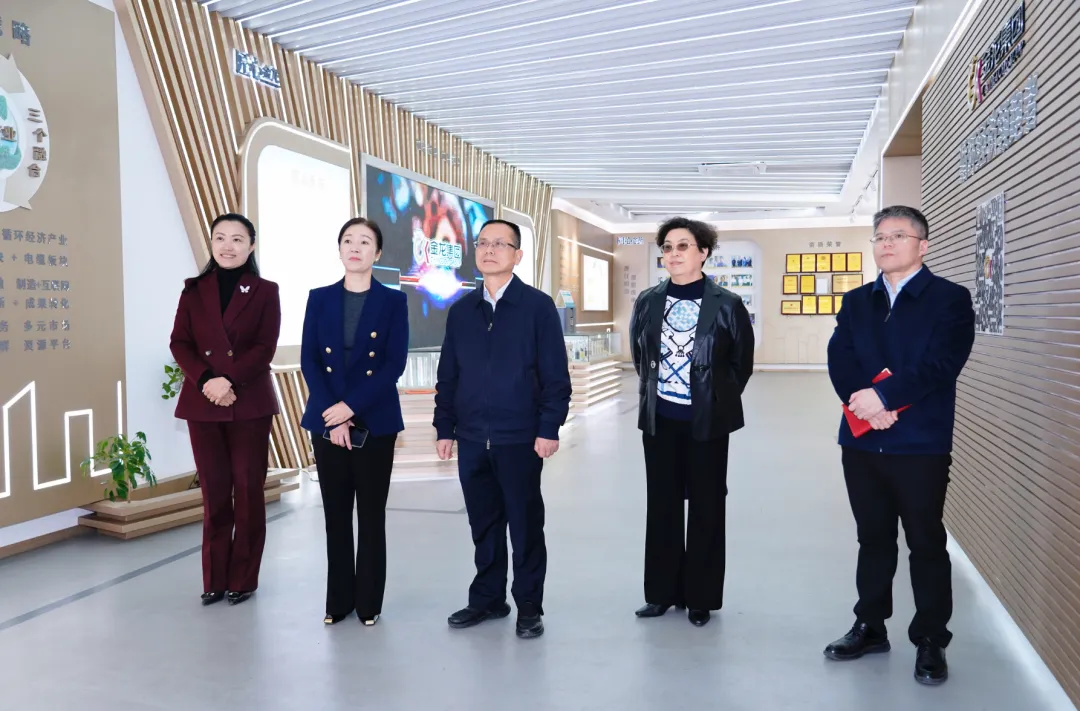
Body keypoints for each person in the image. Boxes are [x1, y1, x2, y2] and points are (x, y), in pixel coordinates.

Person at [824, 205, 974, 686]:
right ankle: (870, 626)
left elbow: (942, 363)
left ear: (922, 246)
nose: (886, 243)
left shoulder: (949, 299)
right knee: (872, 538)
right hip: (862, 441)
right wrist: (866, 404)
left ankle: (931, 639)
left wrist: (884, 399)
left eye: (898, 236)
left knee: (925, 541)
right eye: (880, 237)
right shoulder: (857, 301)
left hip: (920, 443)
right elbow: (840, 357)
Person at [433, 219, 571, 639]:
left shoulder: (537, 307)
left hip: (520, 437)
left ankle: (529, 605)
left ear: (518, 255)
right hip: (473, 437)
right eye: (482, 243)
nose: (489, 250)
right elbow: (448, 375)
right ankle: (488, 599)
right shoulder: (462, 311)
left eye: (500, 244)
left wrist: (549, 427)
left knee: (525, 525)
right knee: (484, 524)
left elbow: (555, 376)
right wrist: (444, 427)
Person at [628, 217, 754, 628]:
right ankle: (661, 593)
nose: (673, 254)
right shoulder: (648, 301)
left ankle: (701, 596)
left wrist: (713, 398)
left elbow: (740, 365)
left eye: (683, 246)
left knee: (706, 505)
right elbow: (640, 356)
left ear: (703, 252)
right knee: (661, 505)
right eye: (667, 247)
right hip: (660, 420)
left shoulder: (727, 304)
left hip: (707, 422)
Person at [300, 217, 409, 627]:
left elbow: (393, 364)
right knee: (335, 515)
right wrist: (335, 414)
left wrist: (350, 408)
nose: (355, 247)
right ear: (339, 249)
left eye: (364, 242)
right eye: (348, 240)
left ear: (377, 253)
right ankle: (338, 601)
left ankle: (368, 604)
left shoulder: (393, 302)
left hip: (375, 421)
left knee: (371, 515)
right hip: (327, 420)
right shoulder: (320, 298)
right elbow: (311, 360)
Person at [169, 212, 281, 607]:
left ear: (251, 246)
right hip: (203, 403)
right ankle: (214, 579)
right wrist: (207, 381)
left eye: (237, 239)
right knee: (214, 493)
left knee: (248, 492)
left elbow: (264, 347)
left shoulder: (265, 290)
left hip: (248, 402)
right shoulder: (193, 290)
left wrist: (228, 381)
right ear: (212, 243)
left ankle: (243, 579)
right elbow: (180, 343)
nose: (227, 246)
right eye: (220, 238)